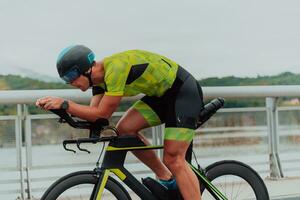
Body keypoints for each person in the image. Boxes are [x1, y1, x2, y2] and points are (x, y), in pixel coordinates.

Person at [36, 45, 204, 199]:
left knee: (173, 158)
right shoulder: (98, 83)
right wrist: (61, 110)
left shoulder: (114, 69)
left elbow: (103, 113)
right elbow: (96, 118)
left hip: (182, 92)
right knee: (124, 130)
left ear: (87, 69)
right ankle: (166, 178)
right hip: (161, 97)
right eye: (66, 79)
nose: (71, 83)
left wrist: (66, 104)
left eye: (71, 76)